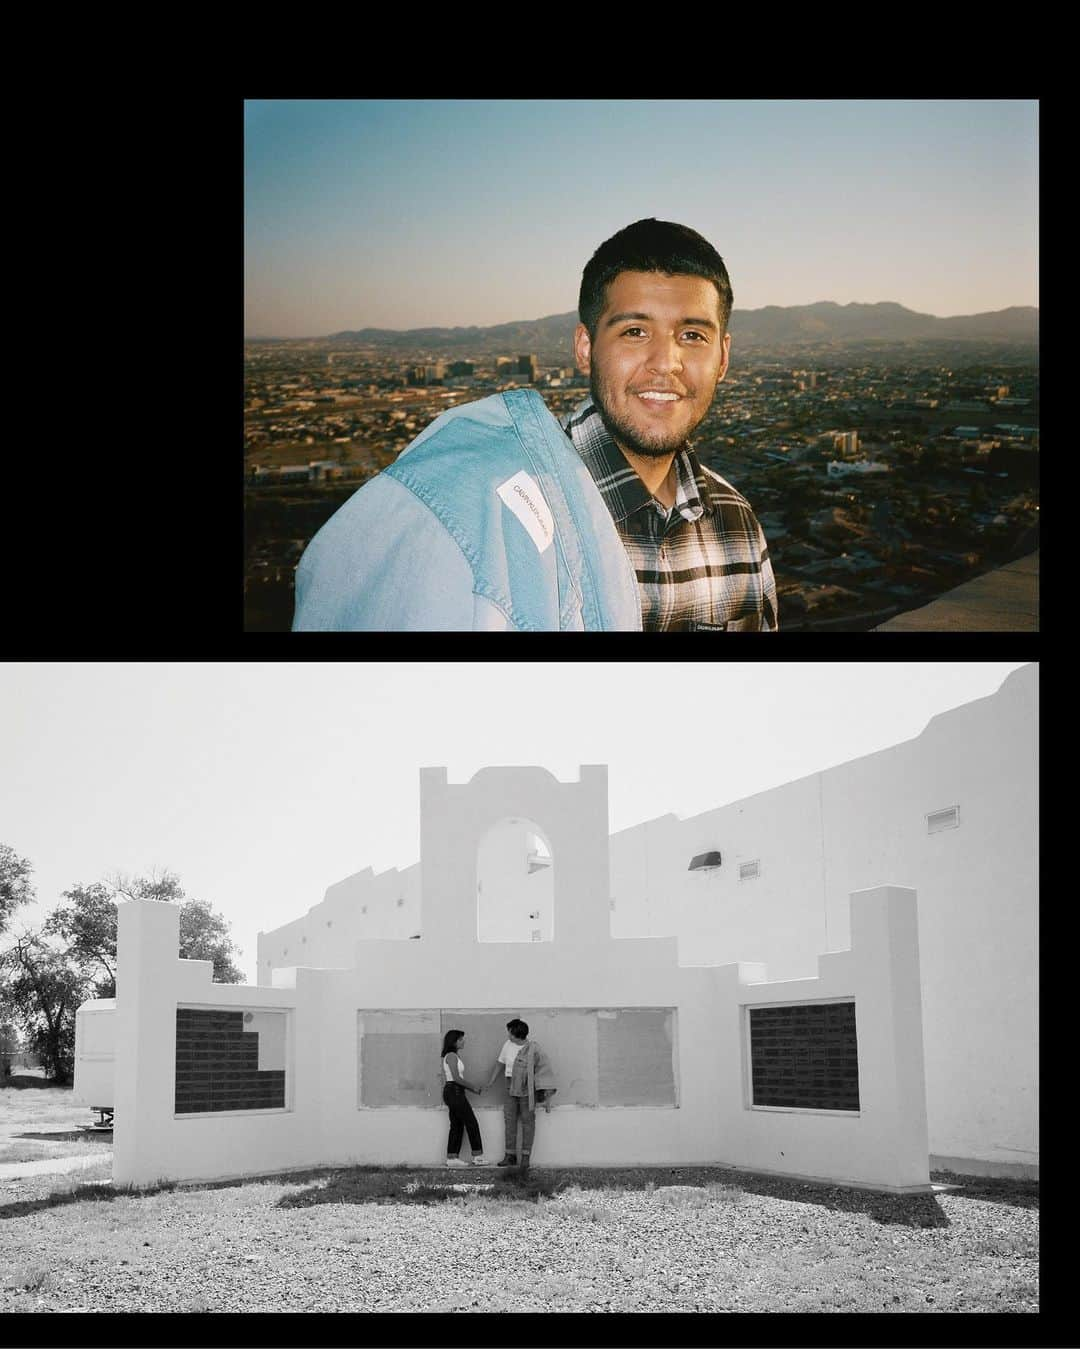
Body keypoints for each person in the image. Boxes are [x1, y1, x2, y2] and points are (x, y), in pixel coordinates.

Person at [563, 217, 777, 631]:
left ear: (723, 358)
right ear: (586, 348)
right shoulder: (517, 515)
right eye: (636, 331)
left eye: (693, 335)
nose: (665, 362)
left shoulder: (736, 524)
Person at [484, 1018, 557, 1172]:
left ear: (516, 1034)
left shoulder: (533, 1049)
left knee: (528, 1122)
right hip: (510, 1086)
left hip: (526, 1088)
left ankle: (525, 1158)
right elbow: (500, 1063)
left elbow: (543, 1069)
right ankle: (510, 1156)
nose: (508, 1034)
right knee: (509, 1120)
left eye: (509, 1032)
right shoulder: (507, 1045)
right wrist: (491, 1081)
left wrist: (544, 1091)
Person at [440, 1029, 489, 1168]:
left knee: (457, 1125)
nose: (464, 1041)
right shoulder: (451, 1056)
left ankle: (452, 1157)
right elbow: (456, 1078)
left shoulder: (454, 1056)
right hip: (454, 1091)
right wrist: (473, 1088)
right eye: (461, 1039)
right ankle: (478, 1156)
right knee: (471, 1122)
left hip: (455, 1092)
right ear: (454, 1041)